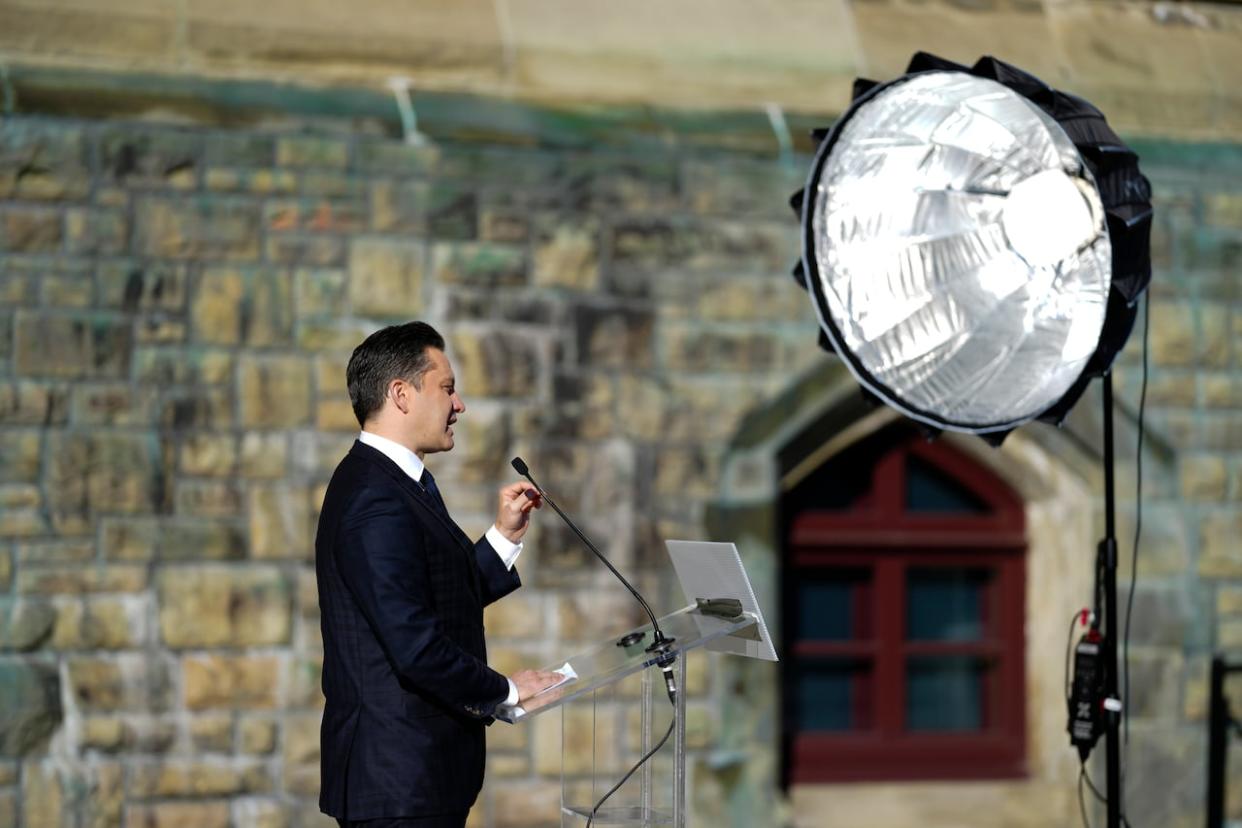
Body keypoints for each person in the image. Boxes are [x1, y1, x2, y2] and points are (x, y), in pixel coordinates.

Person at [316, 321, 561, 828]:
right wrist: (506, 692)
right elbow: (415, 645)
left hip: (420, 782)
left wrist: (502, 537)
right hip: (398, 788)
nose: (459, 404)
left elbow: (434, 600)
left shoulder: (398, 483)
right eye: (447, 388)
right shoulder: (375, 499)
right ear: (401, 394)